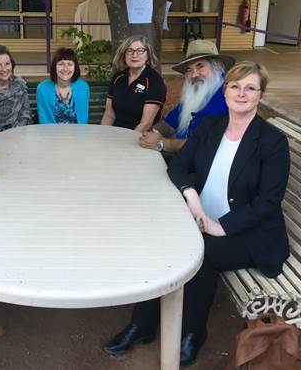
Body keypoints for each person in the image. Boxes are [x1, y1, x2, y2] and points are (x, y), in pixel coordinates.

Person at [104, 61, 290, 367]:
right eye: (235, 86)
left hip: (249, 234)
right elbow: (179, 166)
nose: (241, 94)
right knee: (159, 240)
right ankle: (142, 325)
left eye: (250, 88)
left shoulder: (271, 142)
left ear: (260, 94)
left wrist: (222, 227)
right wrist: (192, 197)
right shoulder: (212, 127)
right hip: (200, 217)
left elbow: (269, 201)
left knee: (201, 253)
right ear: (226, 90)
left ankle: (192, 333)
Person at [139, 39, 234, 156]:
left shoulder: (228, 98)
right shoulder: (197, 93)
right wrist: (154, 133)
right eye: (189, 70)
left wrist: (163, 143)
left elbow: (206, 143)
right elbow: (169, 124)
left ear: (218, 66)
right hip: (181, 159)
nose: (194, 75)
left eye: (200, 66)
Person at [100, 35, 166, 132]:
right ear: (124, 55)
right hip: (115, 133)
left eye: (140, 50)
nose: (134, 55)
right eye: (130, 51)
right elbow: (109, 114)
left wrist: (127, 143)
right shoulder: (118, 78)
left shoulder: (155, 81)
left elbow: (146, 123)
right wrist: (103, 135)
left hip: (140, 136)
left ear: (148, 55)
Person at [36, 47, 90, 124]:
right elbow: (43, 120)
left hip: (78, 134)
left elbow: (84, 120)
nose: (65, 69)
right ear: (55, 67)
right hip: (50, 134)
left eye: (70, 64)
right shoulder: (42, 88)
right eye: (61, 64)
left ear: (75, 67)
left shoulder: (83, 87)